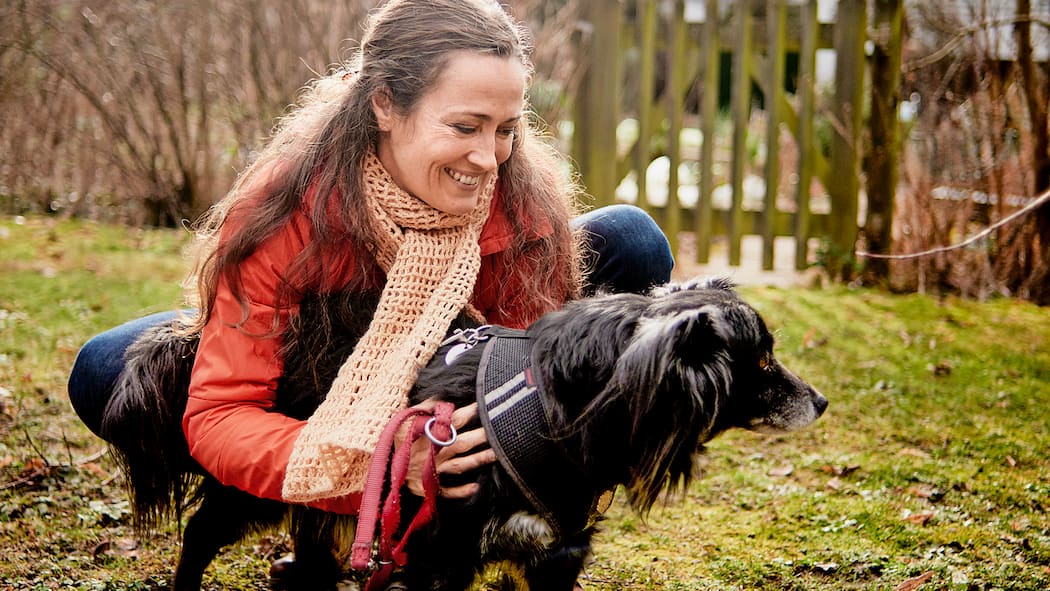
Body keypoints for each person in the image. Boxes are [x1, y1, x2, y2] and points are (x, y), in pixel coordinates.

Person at [67, 0, 673, 585]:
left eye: (506, 129)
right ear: (384, 104)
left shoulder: (520, 201)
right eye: (464, 126)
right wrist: (385, 466)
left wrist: (505, 455)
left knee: (628, 238)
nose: (489, 158)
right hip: (317, 376)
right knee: (108, 370)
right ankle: (325, 517)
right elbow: (224, 413)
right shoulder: (287, 208)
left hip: (453, 361)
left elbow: (524, 381)